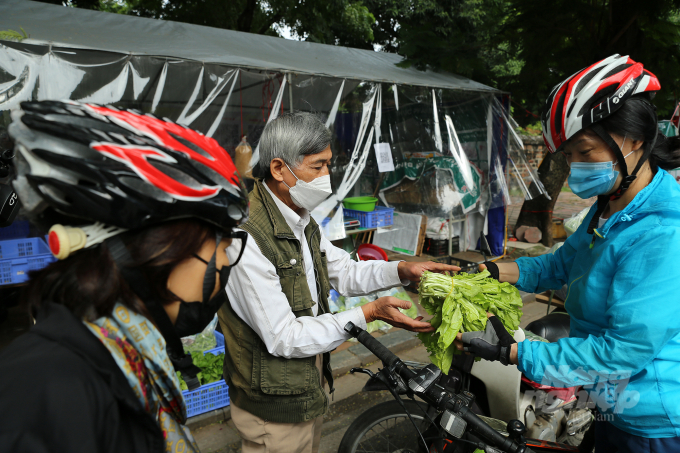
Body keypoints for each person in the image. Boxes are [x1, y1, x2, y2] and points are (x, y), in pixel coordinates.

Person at [457, 55, 680, 452]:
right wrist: (491, 270)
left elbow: (624, 351)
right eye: (569, 156)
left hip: (652, 423)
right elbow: (560, 264)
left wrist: (515, 352)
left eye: (585, 152)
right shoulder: (611, 204)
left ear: (634, 140)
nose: (575, 166)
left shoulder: (663, 232)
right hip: (609, 402)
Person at [0, 100, 249, 452]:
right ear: (159, 248)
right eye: (221, 245)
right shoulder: (48, 391)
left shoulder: (120, 354)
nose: (225, 262)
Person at [220, 112, 459, 453]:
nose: (326, 176)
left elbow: (344, 272)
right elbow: (283, 337)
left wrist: (402, 270)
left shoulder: (298, 217)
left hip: (305, 384)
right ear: (278, 169)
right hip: (274, 406)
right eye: (317, 167)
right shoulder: (247, 239)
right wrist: (369, 314)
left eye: (328, 165)